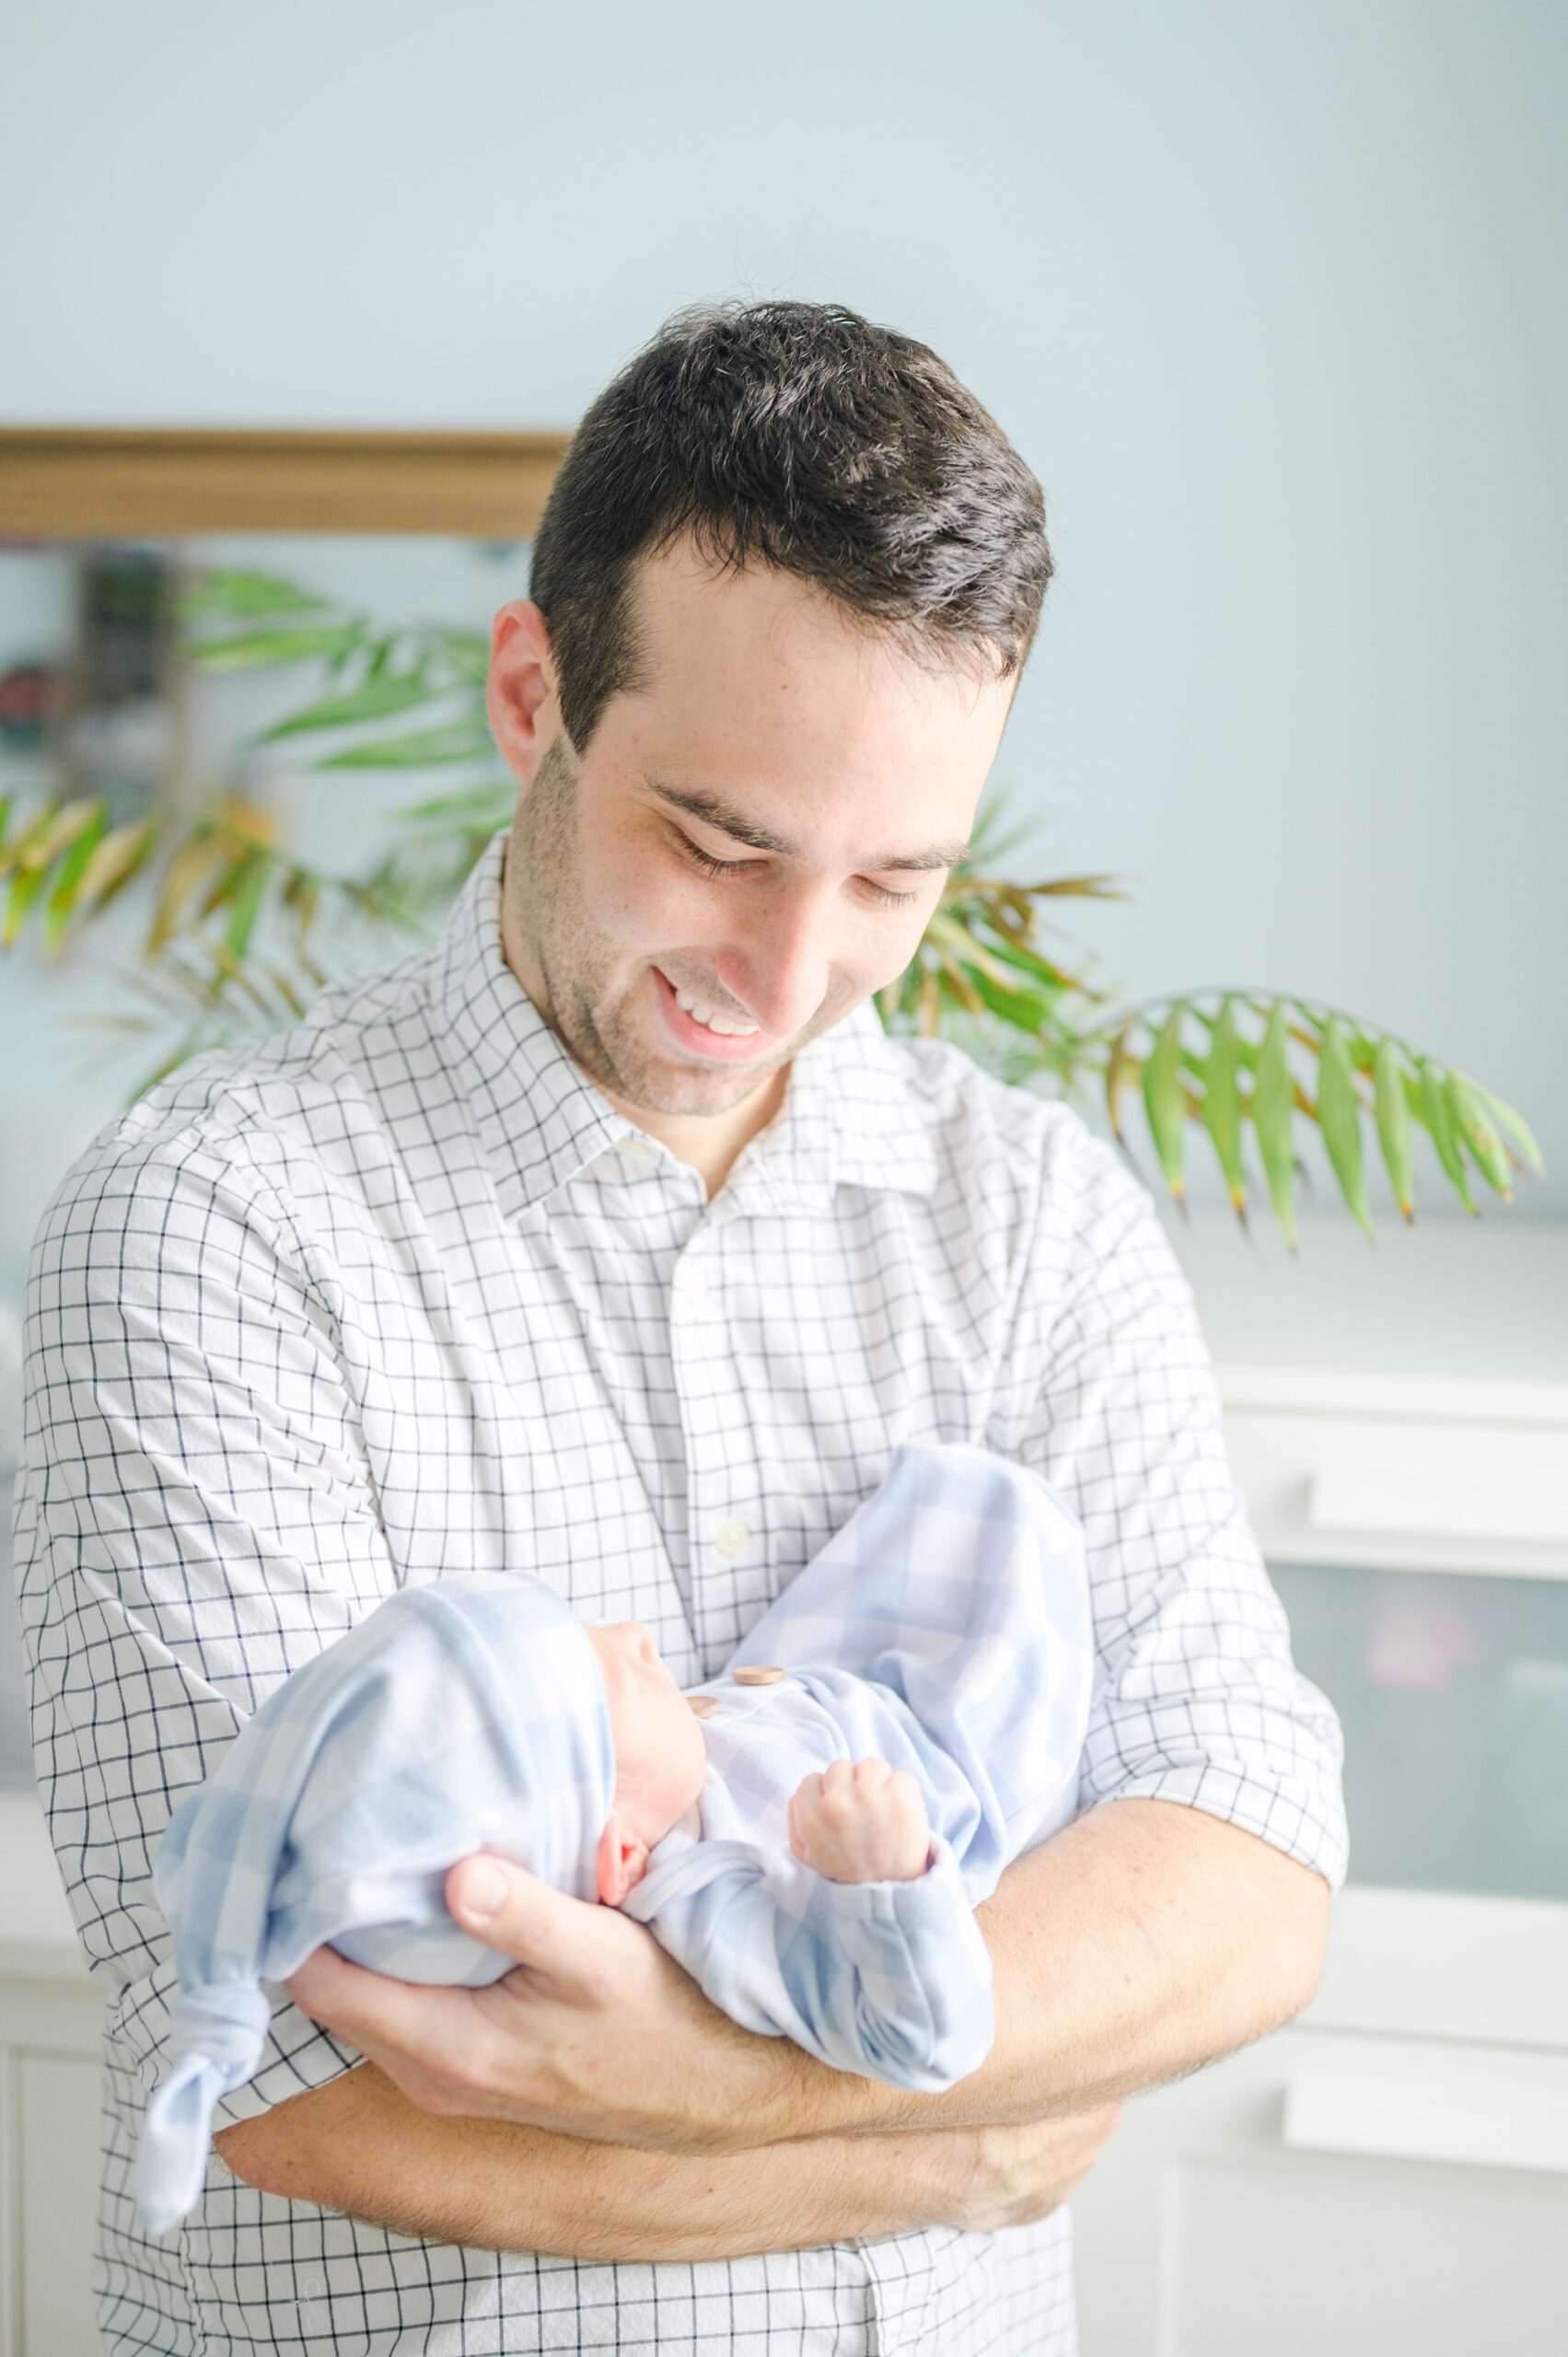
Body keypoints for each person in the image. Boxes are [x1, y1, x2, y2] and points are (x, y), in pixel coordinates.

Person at [15, 297, 1348, 2357]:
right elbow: (295, 2098)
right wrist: (968, 2127)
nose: (789, 971)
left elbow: (1243, 1854)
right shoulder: (211, 1228)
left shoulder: (1030, 1222)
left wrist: (689, 2076)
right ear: (530, 689)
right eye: (713, 841)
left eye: (894, 878)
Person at [133, 1440, 1095, 2236]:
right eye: (617, 1678)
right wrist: (884, 1879)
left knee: (961, 1515)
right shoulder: (710, 1902)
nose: (637, 1636)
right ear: (620, 1856)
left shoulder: (665, 1782)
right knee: (1015, 1568)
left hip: (829, 1689)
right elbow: (925, 2039)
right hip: (939, 1764)